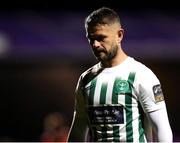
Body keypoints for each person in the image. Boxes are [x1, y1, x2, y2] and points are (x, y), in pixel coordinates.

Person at [67, 7, 173, 142]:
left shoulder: (141, 75)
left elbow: (162, 128)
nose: (95, 44)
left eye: (101, 38)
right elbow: (78, 129)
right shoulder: (86, 79)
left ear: (119, 35)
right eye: (91, 39)